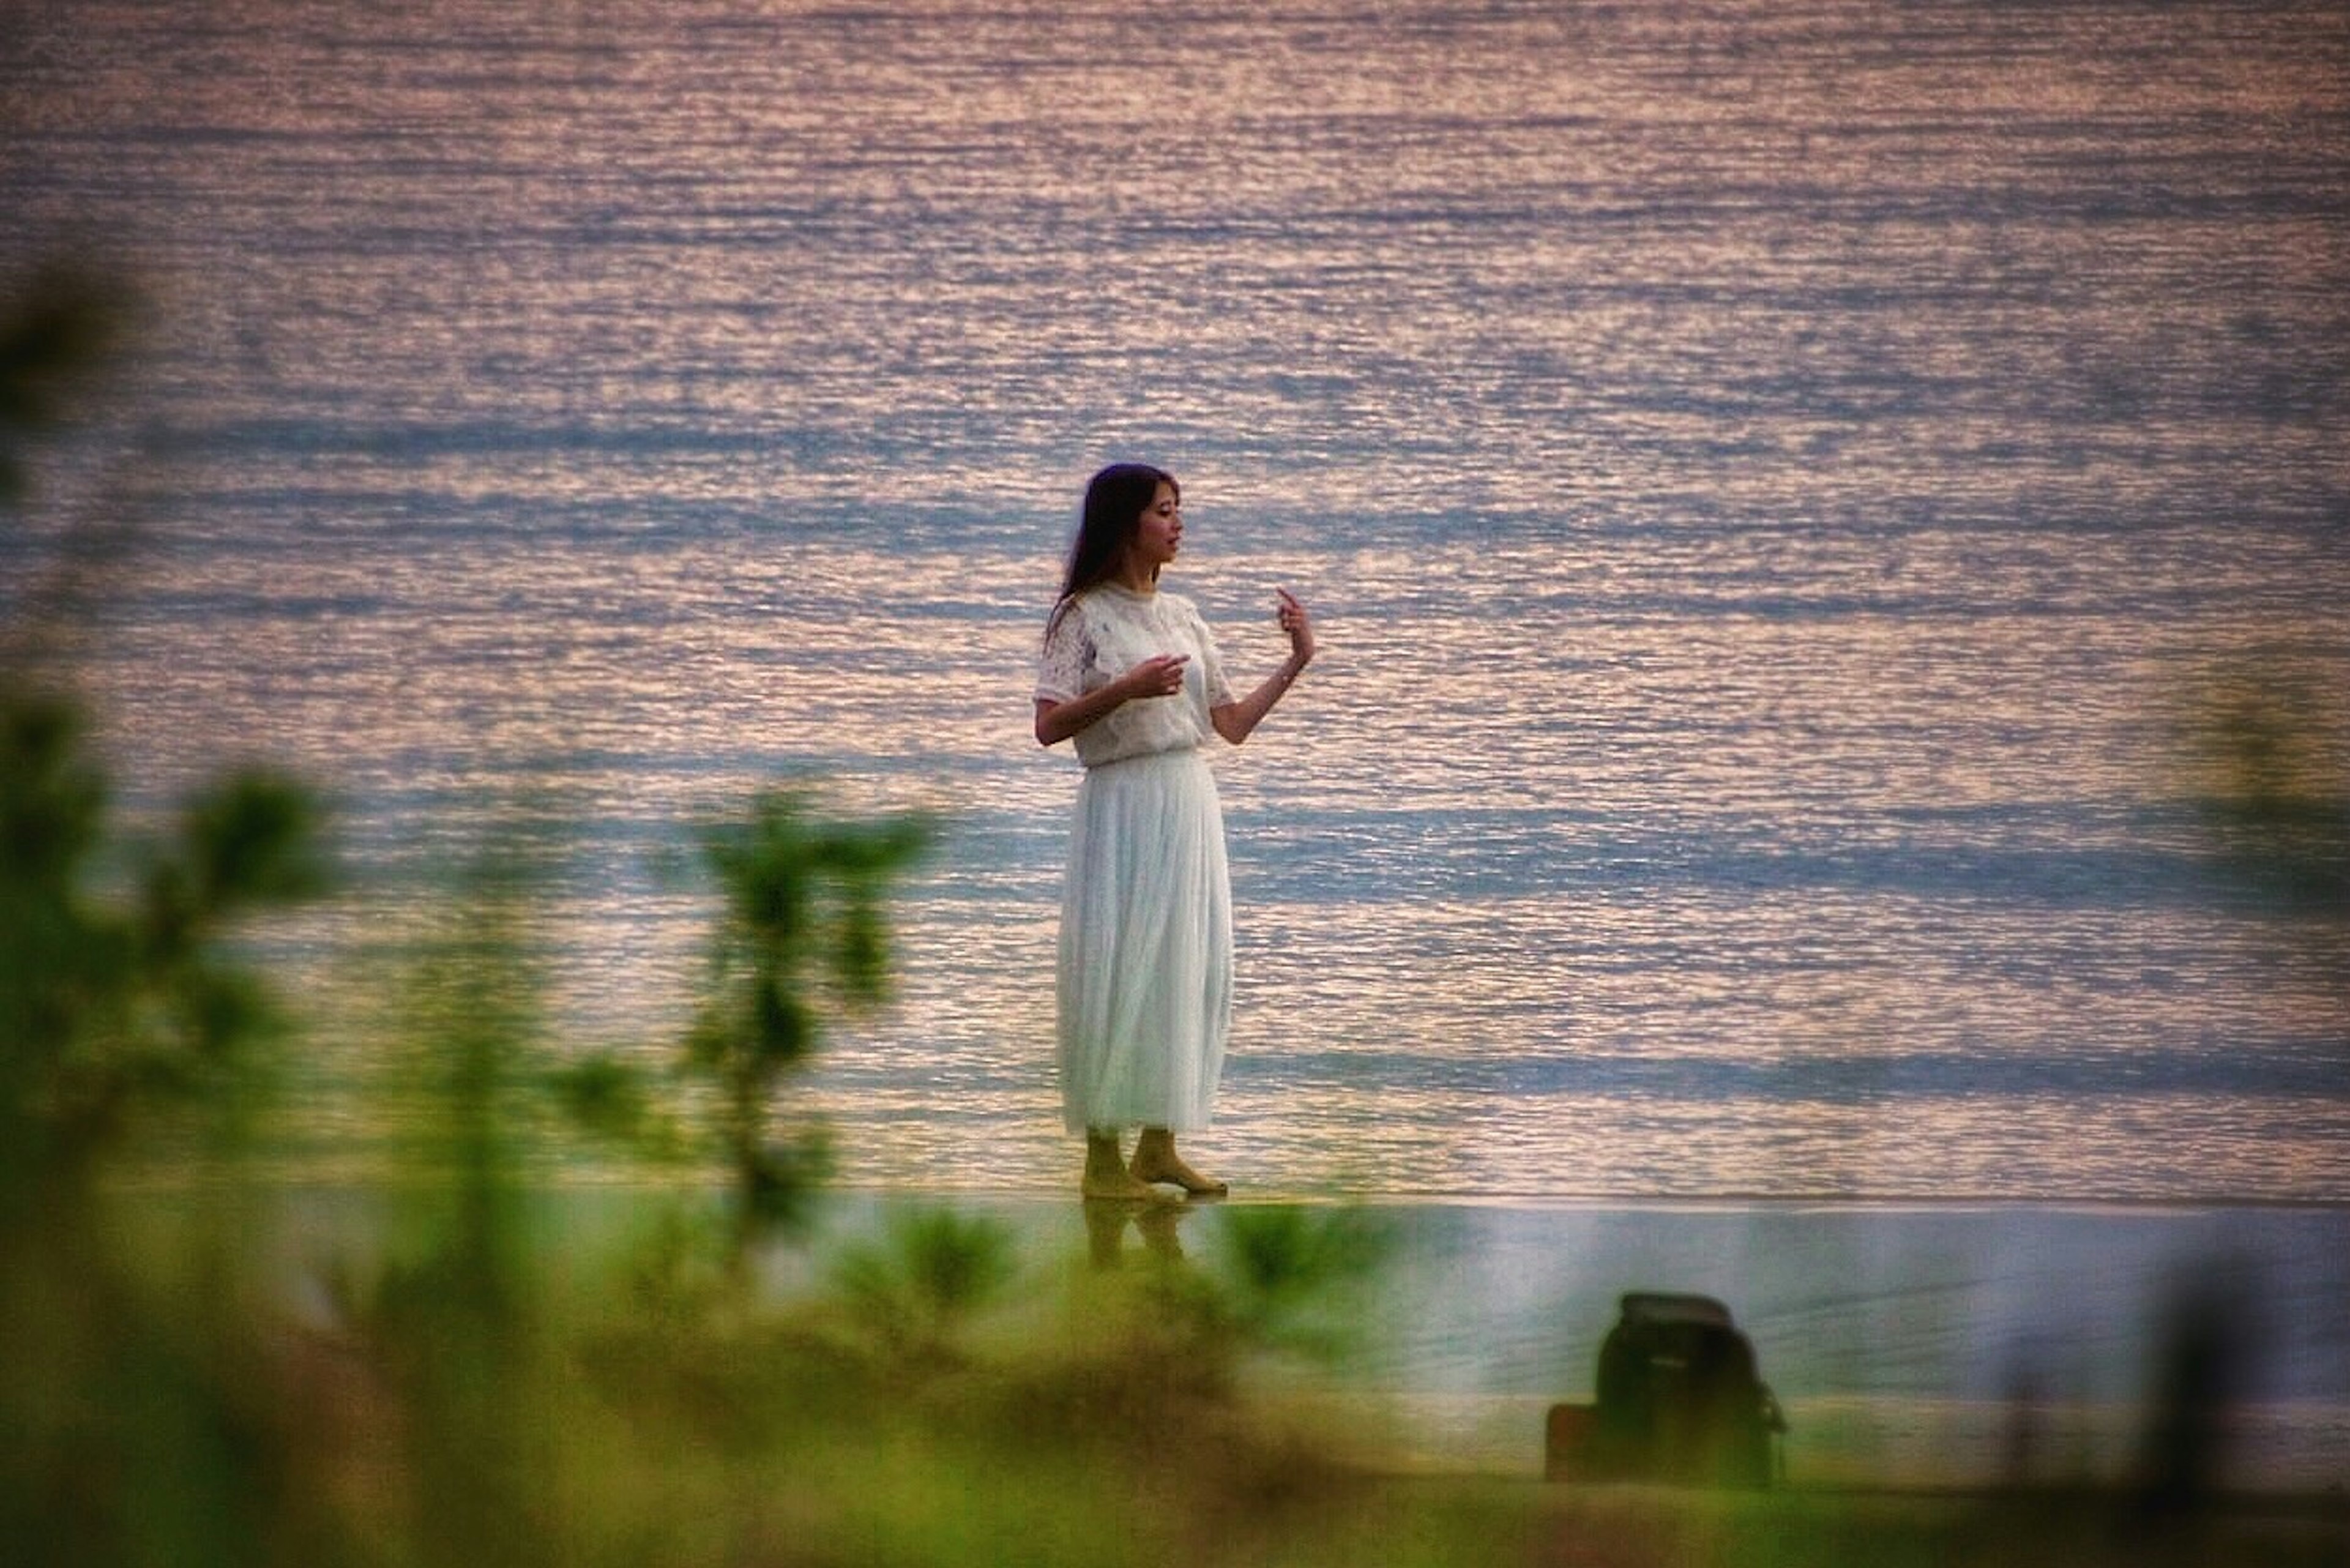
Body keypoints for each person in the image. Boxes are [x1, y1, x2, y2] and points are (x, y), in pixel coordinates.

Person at [1034, 463, 1315, 1200]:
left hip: (1187, 798)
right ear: (1129, 524)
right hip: (1121, 801)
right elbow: (1047, 726)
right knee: (1117, 963)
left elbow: (1230, 725)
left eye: (1177, 510)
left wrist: (1297, 661)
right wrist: (1124, 689)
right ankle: (1102, 1160)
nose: (1178, 524)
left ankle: (1159, 1147)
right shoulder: (1083, 615)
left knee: (1191, 967)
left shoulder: (1185, 614)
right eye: (1165, 511)